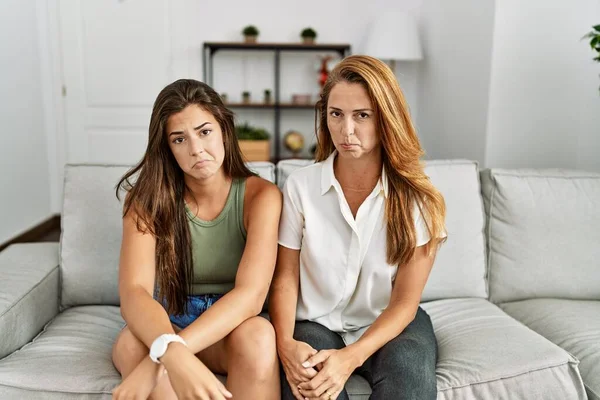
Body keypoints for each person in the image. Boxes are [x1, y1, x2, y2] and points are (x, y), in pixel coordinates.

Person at [269, 55, 447, 400]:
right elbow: (285, 278)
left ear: (386, 119)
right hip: (314, 323)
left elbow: (404, 303)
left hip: (390, 323)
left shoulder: (418, 199)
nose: (346, 130)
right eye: (336, 114)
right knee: (310, 386)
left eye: (362, 116)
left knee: (409, 375)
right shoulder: (300, 187)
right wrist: (285, 343)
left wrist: (350, 358)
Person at [111, 79, 281, 400]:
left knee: (259, 336)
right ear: (167, 148)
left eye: (205, 132)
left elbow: (251, 295)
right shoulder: (144, 200)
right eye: (179, 139)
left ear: (224, 130)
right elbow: (134, 291)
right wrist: (166, 342)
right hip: (166, 318)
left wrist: (169, 352)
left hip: (230, 326)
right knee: (129, 344)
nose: (196, 149)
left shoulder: (261, 196)